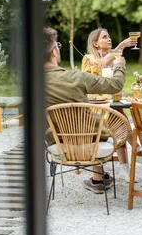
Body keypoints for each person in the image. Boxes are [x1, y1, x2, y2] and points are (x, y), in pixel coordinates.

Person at [43, 27, 126, 194]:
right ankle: (105, 174)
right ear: (54, 52)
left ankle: (98, 179)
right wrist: (119, 66)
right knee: (110, 125)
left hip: (58, 144)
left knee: (94, 123)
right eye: (57, 45)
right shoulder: (76, 77)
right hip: (92, 141)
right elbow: (116, 85)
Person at [81, 27, 136, 182]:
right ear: (96, 43)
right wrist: (121, 47)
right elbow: (100, 66)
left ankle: (132, 159)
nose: (109, 39)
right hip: (95, 105)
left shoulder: (112, 60)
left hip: (110, 102)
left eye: (109, 36)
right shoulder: (88, 58)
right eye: (104, 37)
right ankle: (137, 154)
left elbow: (113, 84)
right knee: (120, 123)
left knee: (121, 120)